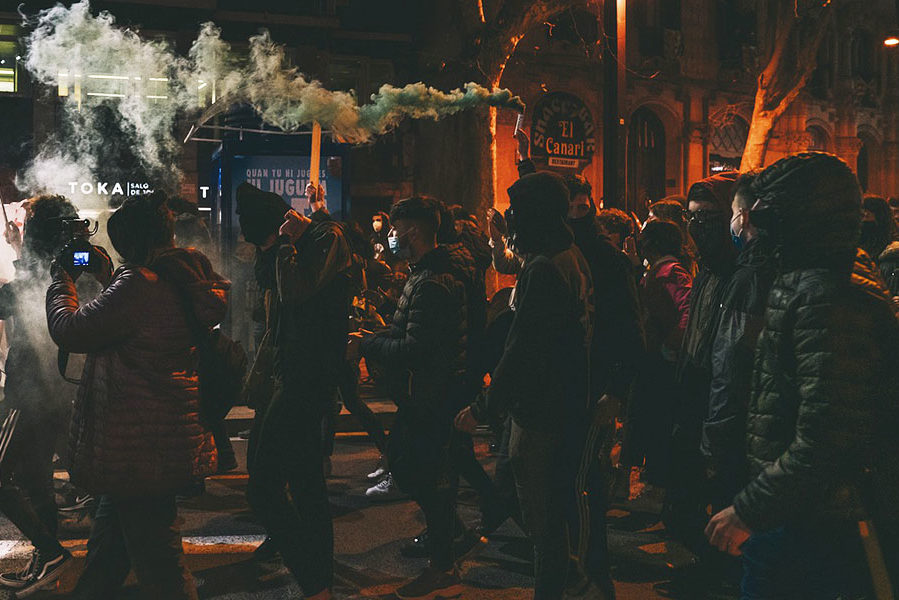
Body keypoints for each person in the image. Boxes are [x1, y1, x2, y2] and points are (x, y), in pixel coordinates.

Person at [706, 152, 899, 598]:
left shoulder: (826, 296)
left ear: (795, 217)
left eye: (763, 214)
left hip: (817, 522)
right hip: (801, 513)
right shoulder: (812, 280)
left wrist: (750, 510)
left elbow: (828, 433)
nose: (749, 226)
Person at [47, 193, 225, 600]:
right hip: (152, 437)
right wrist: (109, 277)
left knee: (161, 567)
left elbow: (70, 330)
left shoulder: (139, 283)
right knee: (108, 556)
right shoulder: (176, 275)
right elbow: (137, 324)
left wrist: (62, 280)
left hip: (140, 447)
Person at [457, 171, 594, 600]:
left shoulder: (544, 268)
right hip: (556, 401)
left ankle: (554, 584)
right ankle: (564, 572)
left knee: (541, 513)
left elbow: (523, 349)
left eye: (517, 212)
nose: (513, 220)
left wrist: (482, 406)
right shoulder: (565, 255)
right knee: (524, 492)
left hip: (542, 407)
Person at [238, 181, 355, 600]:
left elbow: (295, 290)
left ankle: (310, 572)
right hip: (292, 376)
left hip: (308, 381)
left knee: (264, 486)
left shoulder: (324, 241)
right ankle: (318, 581)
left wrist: (288, 243)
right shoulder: (294, 246)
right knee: (306, 485)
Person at [354, 196, 468, 600]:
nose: (391, 235)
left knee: (421, 474)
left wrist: (369, 344)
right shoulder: (423, 274)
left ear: (413, 231)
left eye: (396, 228)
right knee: (411, 467)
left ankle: (444, 563)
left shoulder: (434, 281)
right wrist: (376, 335)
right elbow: (407, 335)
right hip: (422, 397)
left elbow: (414, 348)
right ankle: (448, 543)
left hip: (430, 398)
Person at [563, 173, 644, 598]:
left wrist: (614, 391)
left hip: (593, 391)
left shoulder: (606, 259)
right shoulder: (556, 254)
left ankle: (592, 575)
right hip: (559, 392)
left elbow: (631, 331)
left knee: (583, 485)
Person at [0, 195, 85, 596]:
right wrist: (20, 249)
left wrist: (23, 253)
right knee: (35, 478)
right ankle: (47, 559)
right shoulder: (74, 260)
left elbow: (15, 298)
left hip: (29, 388)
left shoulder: (49, 271)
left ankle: (50, 550)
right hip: (56, 386)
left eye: (28, 222)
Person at [664, 171, 739, 552]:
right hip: (694, 394)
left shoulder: (744, 274)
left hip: (722, 406)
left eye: (709, 218)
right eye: (691, 218)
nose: (697, 227)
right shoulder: (707, 270)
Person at [701, 170, 778, 513]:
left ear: (743, 216)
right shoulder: (782, 264)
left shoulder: (748, 278)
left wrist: (714, 437)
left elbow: (730, 364)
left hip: (739, 436)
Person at [623, 219, 692, 484]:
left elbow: (688, 311)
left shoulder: (670, 272)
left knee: (655, 424)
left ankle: (657, 489)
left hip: (660, 363)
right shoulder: (661, 269)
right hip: (654, 358)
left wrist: (669, 347)